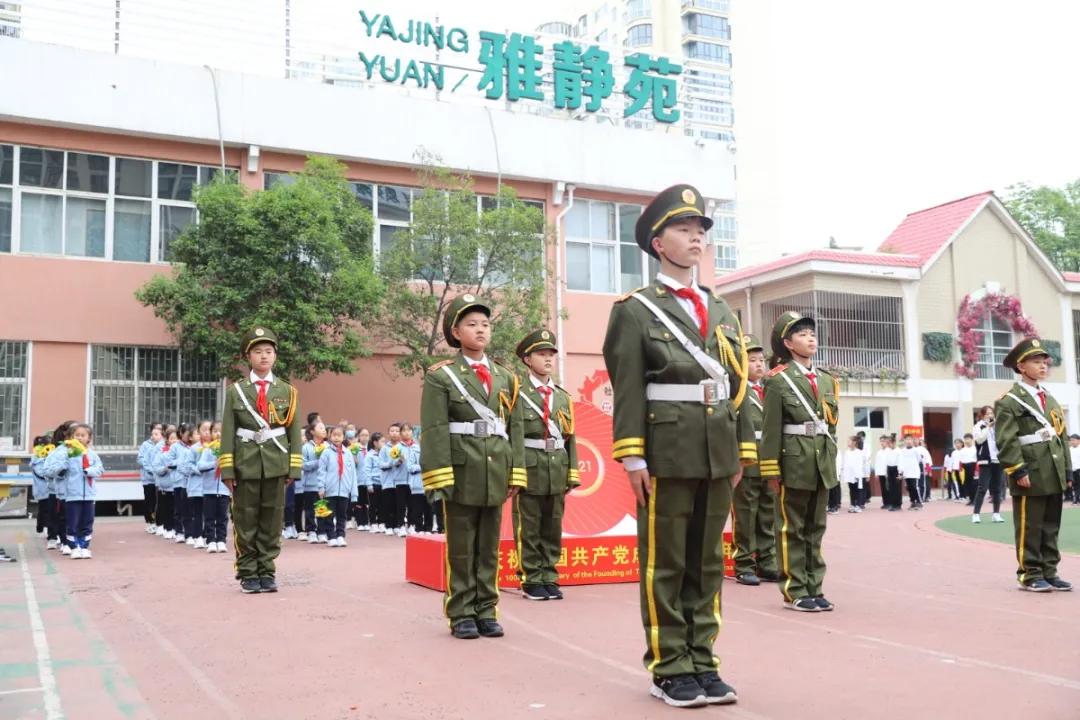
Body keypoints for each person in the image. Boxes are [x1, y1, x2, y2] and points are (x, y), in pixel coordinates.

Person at [602, 185, 750, 708]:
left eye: (701, 230)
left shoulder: (722, 309)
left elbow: (739, 383)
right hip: (666, 447)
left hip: (717, 447)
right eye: (685, 230)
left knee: (708, 561)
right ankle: (669, 665)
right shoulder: (636, 310)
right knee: (665, 560)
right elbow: (628, 386)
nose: (696, 238)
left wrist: (742, 450)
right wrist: (633, 454)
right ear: (659, 243)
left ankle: (703, 660)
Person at [420, 294, 526, 641]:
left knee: (489, 545)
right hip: (462, 468)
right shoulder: (442, 376)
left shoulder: (506, 377)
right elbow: (435, 427)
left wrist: (516, 471)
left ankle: (486, 609)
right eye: (471, 324)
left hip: (495, 467)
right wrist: (440, 474)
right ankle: (462, 611)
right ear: (455, 331)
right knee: (462, 545)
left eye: (485, 324)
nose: (480, 330)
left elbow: (515, 427)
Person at [760, 311, 840, 614]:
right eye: (802, 334)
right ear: (788, 343)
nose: (811, 338)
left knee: (815, 528)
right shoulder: (778, 381)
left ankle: (815, 587)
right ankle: (795, 590)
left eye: (812, 333)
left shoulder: (827, 380)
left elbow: (830, 427)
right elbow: (770, 430)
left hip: (820, 463)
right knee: (792, 529)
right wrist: (771, 470)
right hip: (793, 463)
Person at [219, 327, 303, 595]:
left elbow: (294, 433)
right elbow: (228, 432)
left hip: (277, 463)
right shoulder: (236, 392)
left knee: (272, 520)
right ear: (248, 356)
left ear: (275, 355)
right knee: (245, 519)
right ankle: (247, 571)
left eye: (268, 351)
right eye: (258, 352)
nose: (264, 356)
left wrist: (294, 467)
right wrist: (228, 469)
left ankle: (267, 570)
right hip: (246, 464)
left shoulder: (288, 392)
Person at [994, 338, 1072, 592]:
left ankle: (1049, 571)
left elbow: (1061, 437)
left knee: (1051, 525)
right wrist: (1017, 469)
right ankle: (1029, 573)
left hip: (1053, 470)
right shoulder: (1009, 401)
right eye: (1036, 362)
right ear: (1021, 366)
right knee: (1031, 525)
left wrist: (1067, 470)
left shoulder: (1049, 399)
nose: (1042, 367)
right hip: (1030, 471)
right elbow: (1006, 439)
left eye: (1044, 362)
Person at [513, 328, 581, 600]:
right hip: (530, 466)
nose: (548, 358)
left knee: (552, 525)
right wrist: (516, 472)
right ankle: (531, 578)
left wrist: (571, 472)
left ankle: (549, 575)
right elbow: (514, 434)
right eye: (542, 354)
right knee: (529, 526)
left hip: (556, 465)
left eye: (551, 354)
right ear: (528, 360)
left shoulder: (563, 397)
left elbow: (570, 437)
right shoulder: (518, 392)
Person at [731, 334, 778, 585]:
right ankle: (744, 563)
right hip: (746, 461)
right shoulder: (737, 392)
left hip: (768, 461)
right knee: (745, 515)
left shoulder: (770, 390)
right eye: (752, 360)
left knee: (767, 513)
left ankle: (768, 561)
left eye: (761, 360)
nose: (759, 365)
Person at [44, 423, 103, 559]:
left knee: (87, 522)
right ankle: (73, 546)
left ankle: (84, 546)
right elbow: (49, 471)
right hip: (71, 495)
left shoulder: (92, 454)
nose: (80, 438)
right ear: (70, 437)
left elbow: (99, 469)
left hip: (88, 495)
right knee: (72, 522)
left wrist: (89, 471)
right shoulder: (65, 452)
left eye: (83, 435)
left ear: (89, 438)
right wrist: (62, 467)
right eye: (77, 435)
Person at [317, 424, 358, 547]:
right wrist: (321, 487)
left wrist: (354, 491)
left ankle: (340, 535)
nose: (336, 438)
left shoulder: (348, 453)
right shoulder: (326, 452)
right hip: (330, 490)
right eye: (334, 435)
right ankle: (331, 536)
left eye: (339, 435)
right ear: (330, 436)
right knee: (329, 514)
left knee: (342, 514)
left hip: (344, 490)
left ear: (343, 437)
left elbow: (352, 474)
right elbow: (322, 471)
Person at [198, 421, 230, 554]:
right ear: (211, 434)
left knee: (222, 516)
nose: (218, 434)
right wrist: (214, 463)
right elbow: (200, 466)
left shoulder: (228, 451)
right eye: (215, 431)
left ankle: (221, 540)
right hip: (209, 490)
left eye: (221, 431)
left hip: (223, 489)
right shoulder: (207, 450)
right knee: (209, 516)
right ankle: (210, 540)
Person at [972, 406, 1004, 523]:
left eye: (991, 413)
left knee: (997, 488)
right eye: (987, 413)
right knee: (982, 488)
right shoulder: (978, 426)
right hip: (985, 460)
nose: (990, 415)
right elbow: (979, 440)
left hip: (997, 460)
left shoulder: (997, 426)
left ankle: (996, 514)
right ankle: (976, 514)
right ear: (982, 415)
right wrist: (987, 427)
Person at [380, 423, 410, 537]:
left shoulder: (403, 447)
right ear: (388, 433)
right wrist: (392, 463)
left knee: (399, 505)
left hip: (400, 481)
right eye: (392, 431)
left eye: (397, 431)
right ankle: (389, 526)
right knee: (388, 505)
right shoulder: (384, 449)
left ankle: (398, 525)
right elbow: (381, 464)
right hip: (388, 481)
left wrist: (401, 461)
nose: (394, 433)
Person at [300, 422, 326, 542]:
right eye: (320, 428)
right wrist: (318, 461)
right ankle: (311, 531)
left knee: (322, 508)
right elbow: (303, 465)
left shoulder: (327, 447)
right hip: (310, 484)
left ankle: (322, 531)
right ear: (312, 432)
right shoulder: (306, 447)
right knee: (310, 509)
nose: (324, 430)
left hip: (323, 485)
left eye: (324, 428)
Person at [403, 424, 429, 535]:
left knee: (429, 508)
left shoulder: (433, 452)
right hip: (417, 485)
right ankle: (418, 528)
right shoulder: (414, 451)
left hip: (429, 484)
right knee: (417, 509)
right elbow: (409, 467)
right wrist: (422, 467)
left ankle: (428, 528)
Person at [137, 423, 163, 534]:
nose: (154, 436)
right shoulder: (145, 445)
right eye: (153, 433)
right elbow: (141, 459)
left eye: (158, 433)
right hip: (148, 478)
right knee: (149, 501)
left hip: (159, 480)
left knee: (159, 502)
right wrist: (151, 469)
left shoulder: (163, 445)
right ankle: (150, 521)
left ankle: (158, 522)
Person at [153, 427, 178, 539]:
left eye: (176, 438)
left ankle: (177, 529)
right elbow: (156, 468)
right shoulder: (162, 453)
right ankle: (168, 528)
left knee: (177, 509)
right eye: (172, 438)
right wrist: (165, 469)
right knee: (166, 509)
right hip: (166, 487)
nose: (174, 441)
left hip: (178, 486)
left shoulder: (182, 452)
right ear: (167, 440)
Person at [30, 434, 53, 538]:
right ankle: (42, 529)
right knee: (45, 510)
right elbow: (41, 473)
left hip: (50, 490)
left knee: (47, 510)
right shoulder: (37, 460)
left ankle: (43, 528)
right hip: (42, 490)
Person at [365, 432, 386, 534]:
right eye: (382, 441)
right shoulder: (370, 455)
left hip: (383, 483)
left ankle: (381, 522)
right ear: (375, 443)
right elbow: (367, 471)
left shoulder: (384, 454)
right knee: (373, 505)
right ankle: (373, 523)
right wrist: (369, 484)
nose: (384, 444)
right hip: (373, 483)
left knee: (382, 504)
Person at [897, 434, 924, 510]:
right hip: (906, 473)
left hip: (914, 472)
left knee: (914, 487)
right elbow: (901, 462)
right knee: (909, 488)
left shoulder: (916, 450)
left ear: (912, 441)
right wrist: (901, 472)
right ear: (904, 441)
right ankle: (913, 502)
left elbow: (919, 460)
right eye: (907, 439)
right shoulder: (902, 451)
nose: (908, 441)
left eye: (910, 439)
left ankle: (919, 502)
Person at [840, 436, 866, 513]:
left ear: (854, 442)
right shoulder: (847, 452)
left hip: (857, 475)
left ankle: (858, 505)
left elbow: (859, 465)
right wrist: (845, 474)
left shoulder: (859, 452)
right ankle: (852, 504)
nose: (848, 442)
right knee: (851, 490)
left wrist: (857, 475)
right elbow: (845, 464)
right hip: (849, 475)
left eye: (849, 441)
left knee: (857, 490)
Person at [353, 427, 372, 531]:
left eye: (367, 435)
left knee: (367, 502)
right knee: (359, 502)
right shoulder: (355, 448)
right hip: (359, 479)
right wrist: (354, 456)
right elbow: (353, 464)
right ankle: (360, 522)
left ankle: (366, 521)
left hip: (368, 480)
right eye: (363, 435)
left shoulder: (370, 449)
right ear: (358, 436)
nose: (365, 437)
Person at [872, 435, 891, 511]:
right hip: (881, 473)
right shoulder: (879, 452)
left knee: (888, 488)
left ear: (887, 442)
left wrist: (888, 471)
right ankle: (885, 503)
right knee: (883, 488)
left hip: (887, 473)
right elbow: (877, 463)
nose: (882, 443)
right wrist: (877, 473)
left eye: (883, 441)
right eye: (881, 441)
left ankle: (890, 502)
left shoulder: (889, 451)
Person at [957, 433, 977, 503]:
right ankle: (970, 499)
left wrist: (977, 470)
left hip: (973, 466)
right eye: (965, 439)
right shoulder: (962, 450)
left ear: (972, 440)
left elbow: (977, 460)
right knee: (966, 484)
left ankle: (974, 499)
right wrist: (960, 469)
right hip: (965, 467)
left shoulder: (975, 449)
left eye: (968, 439)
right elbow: (960, 461)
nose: (966, 441)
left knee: (974, 484)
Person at [1070, 434, 1080, 505]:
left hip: (1079, 469)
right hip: (1072, 471)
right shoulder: (1069, 449)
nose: (1072, 442)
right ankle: (1076, 498)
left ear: (1078, 441)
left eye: (1074, 440)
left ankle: (1076, 499)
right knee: (1075, 485)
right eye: (1071, 440)